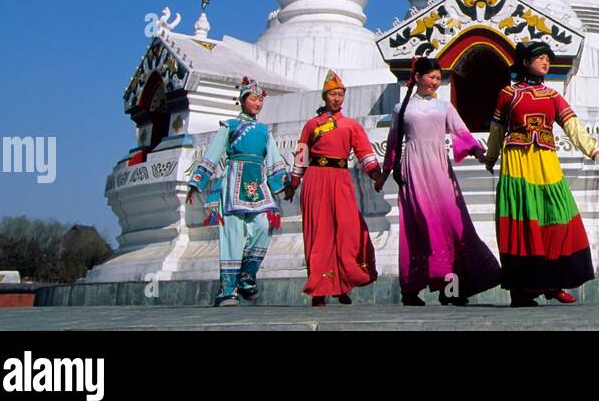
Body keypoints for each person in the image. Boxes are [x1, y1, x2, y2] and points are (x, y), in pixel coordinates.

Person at [484, 40, 599, 307]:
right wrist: (491, 156)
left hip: (546, 161)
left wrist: (594, 151)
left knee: (558, 214)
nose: (545, 62)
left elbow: (572, 126)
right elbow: (496, 129)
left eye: (548, 59)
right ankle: (521, 290)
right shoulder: (508, 93)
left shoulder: (553, 96)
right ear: (526, 62)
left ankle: (555, 282)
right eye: (540, 58)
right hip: (517, 162)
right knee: (523, 222)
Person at [376, 57, 502, 306]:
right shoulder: (401, 109)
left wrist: (480, 154)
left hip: (440, 169)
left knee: (449, 224)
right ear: (418, 77)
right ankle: (411, 290)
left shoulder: (444, 107)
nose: (435, 82)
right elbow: (393, 143)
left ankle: (451, 290)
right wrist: (384, 173)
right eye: (431, 77)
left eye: (438, 78)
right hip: (413, 169)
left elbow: (461, 132)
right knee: (417, 226)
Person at [283, 69, 386, 306]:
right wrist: (293, 183)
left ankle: (343, 283)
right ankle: (319, 289)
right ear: (325, 96)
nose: (337, 98)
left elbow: (365, 153)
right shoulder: (312, 125)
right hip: (316, 180)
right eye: (333, 94)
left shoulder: (351, 126)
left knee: (348, 230)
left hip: (340, 179)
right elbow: (301, 155)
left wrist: (376, 175)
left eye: (340, 94)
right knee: (319, 234)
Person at [187, 77, 290, 306]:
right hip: (233, 184)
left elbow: (273, 159)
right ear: (243, 101)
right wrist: (197, 182)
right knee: (232, 235)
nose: (257, 103)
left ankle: (247, 276)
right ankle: (227, 290)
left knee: (262, 226)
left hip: (257, 186)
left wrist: (283, 186)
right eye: (253, 98)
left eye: (260, 99)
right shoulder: (230, 127)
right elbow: (213, 154)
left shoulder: (264, 131)